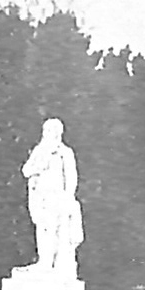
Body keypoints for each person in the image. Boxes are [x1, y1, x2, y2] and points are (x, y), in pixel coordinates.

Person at [21, 118, 85, 279]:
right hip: (41, 197)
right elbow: (26, 170)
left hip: (58, 197)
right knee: (42, 229)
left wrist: (68, 197)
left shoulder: (65, 152)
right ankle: (44, 261)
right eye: (47, 130)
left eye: (53, 131)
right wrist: (39, 167)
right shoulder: (39, 151)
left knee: (57, 231)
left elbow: (71, 177)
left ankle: (52, 264)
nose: (50, 134)